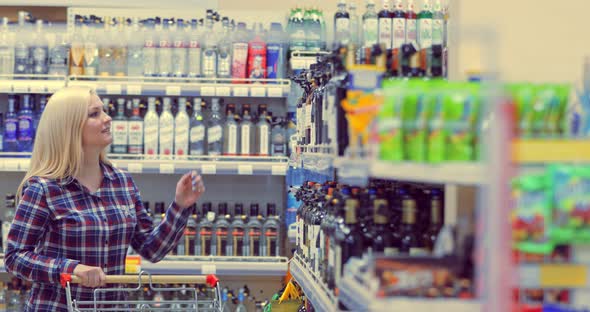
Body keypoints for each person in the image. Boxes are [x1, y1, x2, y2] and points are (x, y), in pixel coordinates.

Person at [4, 86, 206, 311]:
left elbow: (152, 250)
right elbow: (14, 257)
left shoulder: (121, 182)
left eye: (104, 111)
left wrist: (180, 206)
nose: (108, 118)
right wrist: (72, 269)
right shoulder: (44, 188)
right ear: (69, 128)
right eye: (94, 114)